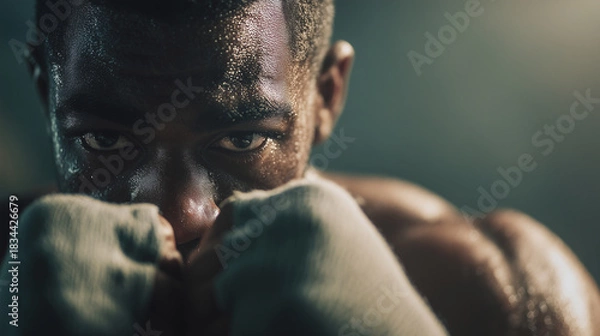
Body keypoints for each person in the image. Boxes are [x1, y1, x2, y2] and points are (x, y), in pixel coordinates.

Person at [2, 0, 599, 335]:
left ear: (326, 96)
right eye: (104, 139)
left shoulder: (492, 293)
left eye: (242, 139)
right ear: (44, 95)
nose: (177, 213)